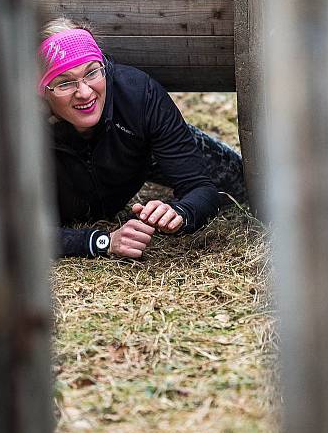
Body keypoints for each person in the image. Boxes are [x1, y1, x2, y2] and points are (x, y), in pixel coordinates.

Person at [38, 18, 246, 259]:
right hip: (70, 178)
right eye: (65, 83)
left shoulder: (138, 94)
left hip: (137, 150)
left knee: (238, 181)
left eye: (92, 72)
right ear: (42, 92)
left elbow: (201, 186)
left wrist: (180, 212)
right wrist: (98, 242)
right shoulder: (16, 131)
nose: (84, 92)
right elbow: (6, 231)